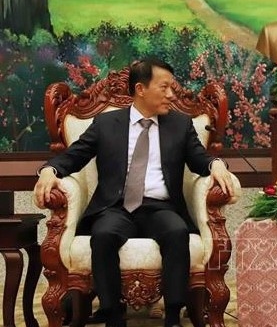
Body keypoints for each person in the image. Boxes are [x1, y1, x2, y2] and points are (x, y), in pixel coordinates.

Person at [34, 58, 235, 327]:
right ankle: (112, 315)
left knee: (176, 232)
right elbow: (73, 157)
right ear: (141, 89)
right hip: (116, 207)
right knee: (103, 235)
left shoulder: (180, 124)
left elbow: (200, 158)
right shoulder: (106, 124)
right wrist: (48, 171)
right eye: (164, 87)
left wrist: (216, 165)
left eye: (172, 88)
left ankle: (173, 316)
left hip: (160, 207)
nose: (171, 94)